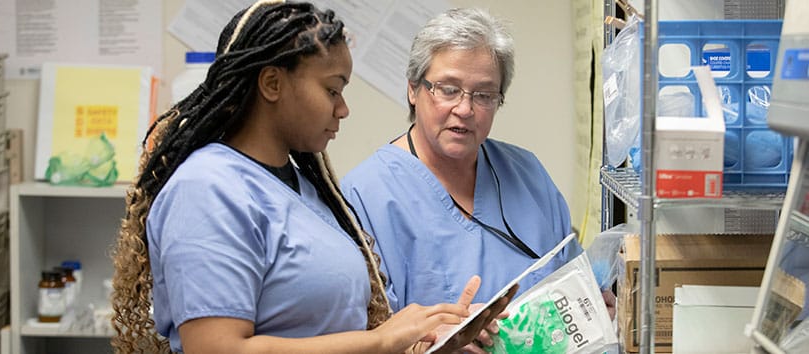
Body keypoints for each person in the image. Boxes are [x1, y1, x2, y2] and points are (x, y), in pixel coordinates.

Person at [110, 1, 515, 353]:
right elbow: (217, 348)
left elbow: (327, 334)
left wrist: (430, 341)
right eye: (332, 90)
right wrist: (383, 340)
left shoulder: (302, 190)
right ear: (272, 83)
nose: (343, 109)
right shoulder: (208, 189)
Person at [341, 7, 616, 350]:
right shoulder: (363, 195)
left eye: (484, 95)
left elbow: (574, 279)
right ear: (413, 89)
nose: (465, 109)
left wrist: (597, 305)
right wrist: (437, 343)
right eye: (448, 89)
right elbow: (365, 339)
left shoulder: (527, 174)